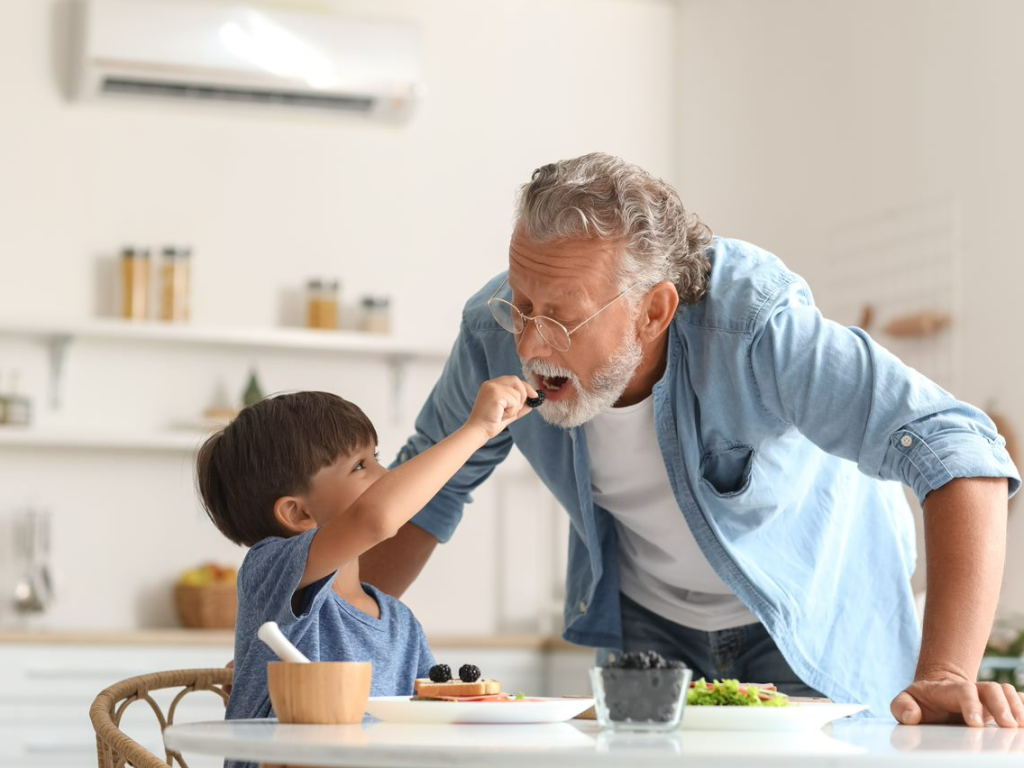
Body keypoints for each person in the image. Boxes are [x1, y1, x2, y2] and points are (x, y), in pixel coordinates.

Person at [360, 152, 1024, 726]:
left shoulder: (755, 324)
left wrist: (945, 673)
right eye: (523, 304)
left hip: (806, 621)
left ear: (653, 310)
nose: (531, 344)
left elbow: (959, 451)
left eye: (561, 318)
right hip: (650, 631)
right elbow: (414, 504)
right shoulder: (491, 333)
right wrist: (330, 647)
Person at [195, 379, 538, 733]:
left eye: (375, 457)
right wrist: (479, 429)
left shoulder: (401, 624)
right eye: (360, 466)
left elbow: (430, 724)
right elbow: (375, 518)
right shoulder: (269, 568)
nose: (384, 474)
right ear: (298, 514)